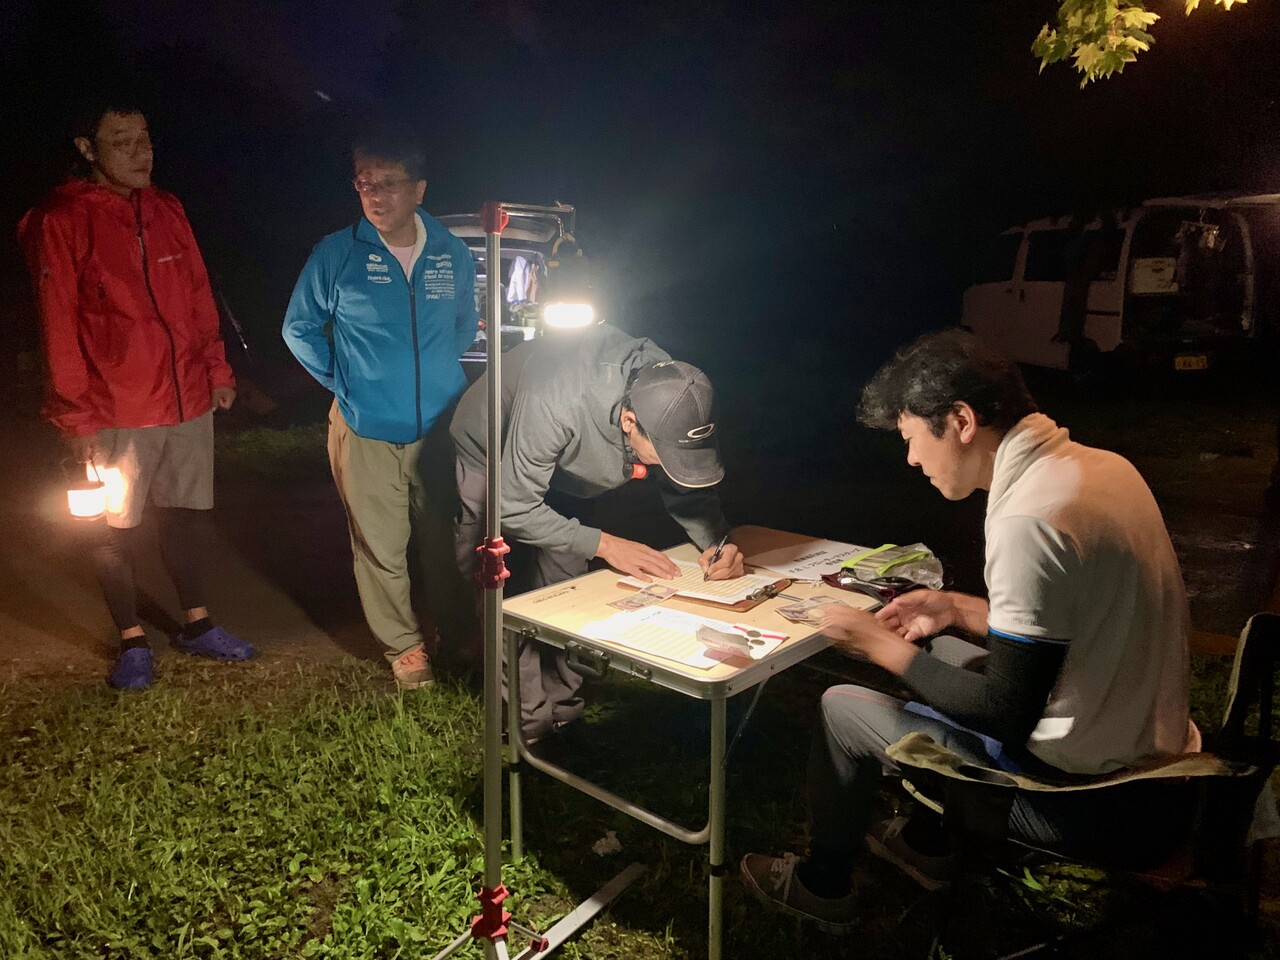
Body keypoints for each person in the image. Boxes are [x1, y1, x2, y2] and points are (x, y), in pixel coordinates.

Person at [740, 329, 1199, 933]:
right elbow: (1076, 624)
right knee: (946, 647)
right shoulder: (1101, 470)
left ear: (960, 421)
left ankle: (822, 887)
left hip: (1086, 800)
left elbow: (1005, 712)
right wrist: (956, 608)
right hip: (1161, 764)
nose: (911, 460)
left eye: (911, 438)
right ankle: (927, 846)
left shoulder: (1029, 517)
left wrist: (878, 646)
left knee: (842, 707)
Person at [18, 102, 254, 691]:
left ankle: (197, 624)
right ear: (86, 149)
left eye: (144, 139)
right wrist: (76, 415)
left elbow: (198, 292)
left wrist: (217, 370)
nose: (139, 153)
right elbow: (57, 320)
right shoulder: (60, 218)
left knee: (186, 514)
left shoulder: (167, 208)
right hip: (115, 405)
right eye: (121, 141)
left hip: (186, 396)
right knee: (110, 526)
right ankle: (132, 639)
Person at [450, 324, 745, 743]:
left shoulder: (673, 389)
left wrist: (717, 541)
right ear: (629, 420)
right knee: (504, 590)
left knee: (566, 583)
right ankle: (527, 725)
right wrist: (606, 544)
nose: (670, 465)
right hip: (489, 447)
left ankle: (564, 713)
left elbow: (685, 485)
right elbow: (512, 506)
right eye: (665, 455)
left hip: (563, 461)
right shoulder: (559, 397)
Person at [282, 128, 478, 689]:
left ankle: (458, 637)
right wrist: (346, 382)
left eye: (389, 184)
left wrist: (435, 376)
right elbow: (299, 328)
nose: (375, 195)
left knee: (446, 542)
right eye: (365, 184)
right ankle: (405, 647)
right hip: (365, 428)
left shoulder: (451, 252)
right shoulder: (337, 253)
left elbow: (464, 326)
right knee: (380, 547)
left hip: (439, 429)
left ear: (419, 189)